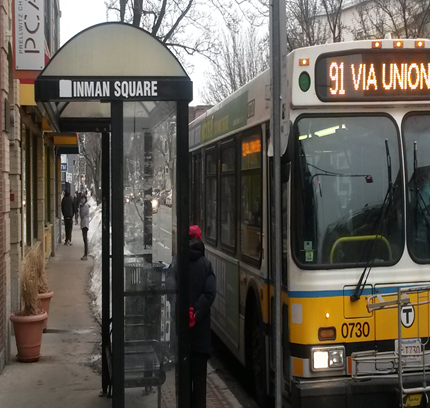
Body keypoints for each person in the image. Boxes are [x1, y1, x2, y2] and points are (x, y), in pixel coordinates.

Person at [188, 225, 216, 408]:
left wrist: (185, 309)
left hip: (184, 338)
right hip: (201, 336)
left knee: (184, 380)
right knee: (200, 383)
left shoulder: (178, 262)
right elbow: (210, 293)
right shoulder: (206, 265)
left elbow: (171, 284)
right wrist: (195, 313)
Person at [80, 195, 90, 261]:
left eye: (83, 199)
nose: (82, 200)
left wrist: (81, 207)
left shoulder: (85, 206)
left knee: (85, 239)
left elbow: (82, 214)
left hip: (85, 224)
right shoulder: (84, 205)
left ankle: (86, 254)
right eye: (81, 199)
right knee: (84, 239)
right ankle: (85, 254)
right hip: (84, 224)